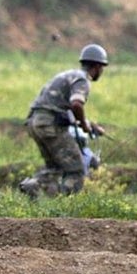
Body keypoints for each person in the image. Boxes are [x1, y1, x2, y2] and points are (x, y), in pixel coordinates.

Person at [19, 44, 108, 198]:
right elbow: (76, 104)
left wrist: (88, 123)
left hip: (35, 123)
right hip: (50, 126)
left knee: (55, 168)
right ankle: (63, 207)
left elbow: (61, 107)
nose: (102, 71)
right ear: (97, 66)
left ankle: (33, 185)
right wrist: (86, 126)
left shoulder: (67, 75)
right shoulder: (82, 80)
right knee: (77, 170)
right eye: (102, 67)